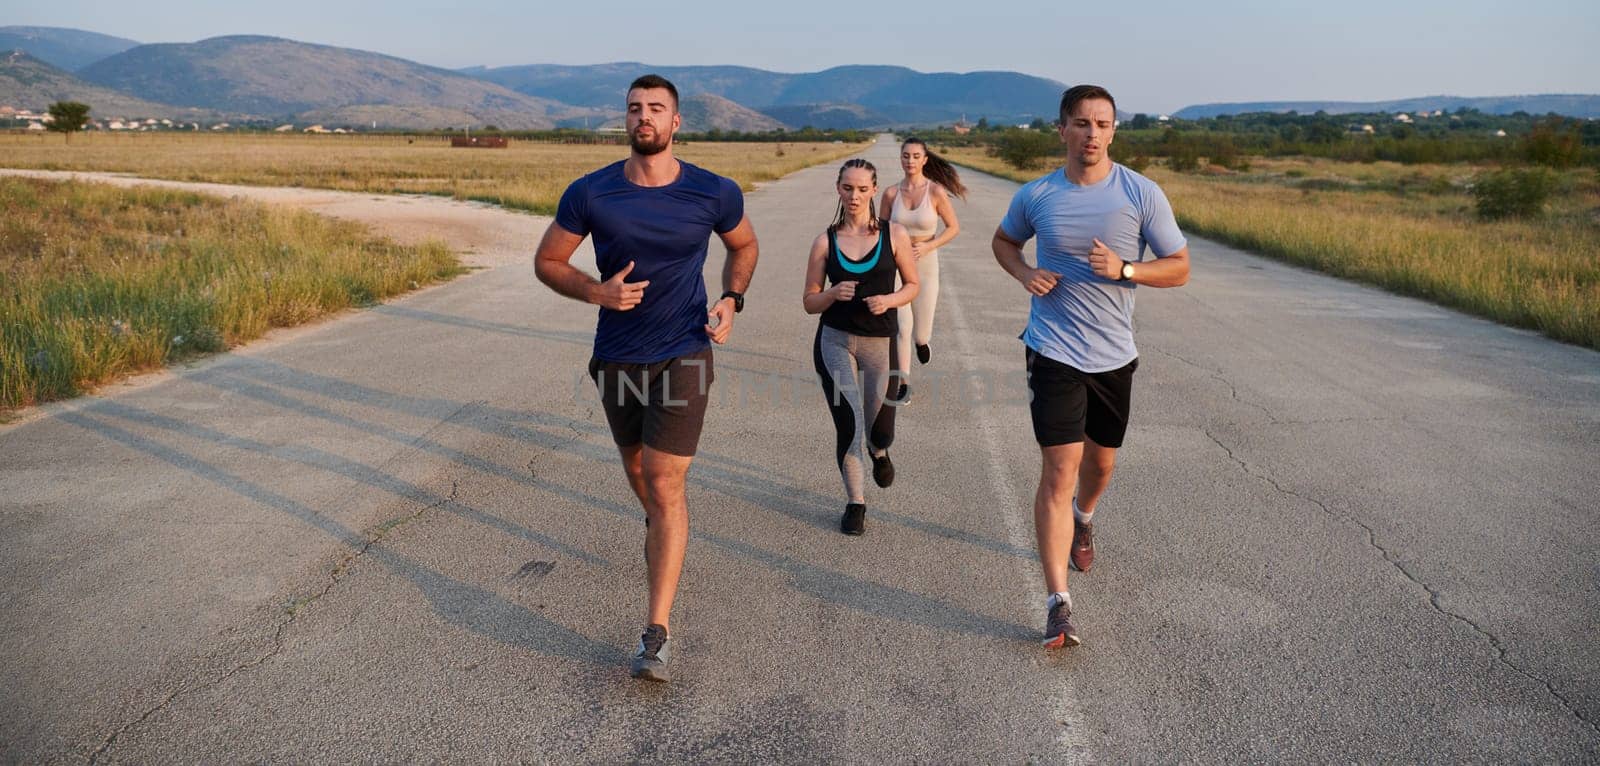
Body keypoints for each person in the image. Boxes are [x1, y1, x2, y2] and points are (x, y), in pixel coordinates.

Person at [533, 74, 759, 682]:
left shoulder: (713, 192)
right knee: (637, 471)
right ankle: (668, 529)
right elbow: (547, 261)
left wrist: (732, 298)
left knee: (663, 481)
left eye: (656, 109)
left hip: (684, 354)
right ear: (625, 119)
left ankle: (654, 633)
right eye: (635, 108)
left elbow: (744, 247)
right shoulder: (592, 191)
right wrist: (596, 291)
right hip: (617, 358)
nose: (644, 117)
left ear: (677, 121)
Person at [991, 85, 1190, 648]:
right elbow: (1004, 242)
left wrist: (1127, 270)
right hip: (1052, 348)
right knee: (1058, 469)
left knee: (1099, 467)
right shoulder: (1037, 195)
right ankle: (1058, 604)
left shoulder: (1140, 193)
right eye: (1081, 123)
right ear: (1062, 130)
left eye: (1102, 124)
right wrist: (1025, 274)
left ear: (1114, 130)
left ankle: (1085, 515)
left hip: (1113, 356)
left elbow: (1178, 268)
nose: (1092, 134)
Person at [804, 158, 918, 536]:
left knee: (878, 430)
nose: (854, 196)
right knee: (849, 425)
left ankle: (880, 451)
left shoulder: (895, 235)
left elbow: (912, 286)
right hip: (834, 341)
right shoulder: (825, 241)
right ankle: (856, 502)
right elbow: (809, 301)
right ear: (838, 189)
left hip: (878, 344)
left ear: (873, 189)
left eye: (861, 188)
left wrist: (890, 301)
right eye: (847, 188)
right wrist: (833, 293)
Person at [878, 137, 965, 401]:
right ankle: (903, 382)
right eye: (906, 156)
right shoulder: (891, 194)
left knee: (920, 329)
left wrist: (929, 246)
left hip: (927, 263)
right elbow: (881, 231)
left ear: (925, 160)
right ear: (900, 159)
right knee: (902, 325)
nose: (910, 161)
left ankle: (922, 343)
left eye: (916, 156)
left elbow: (953, 228)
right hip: (897, 264)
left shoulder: (935, 192)